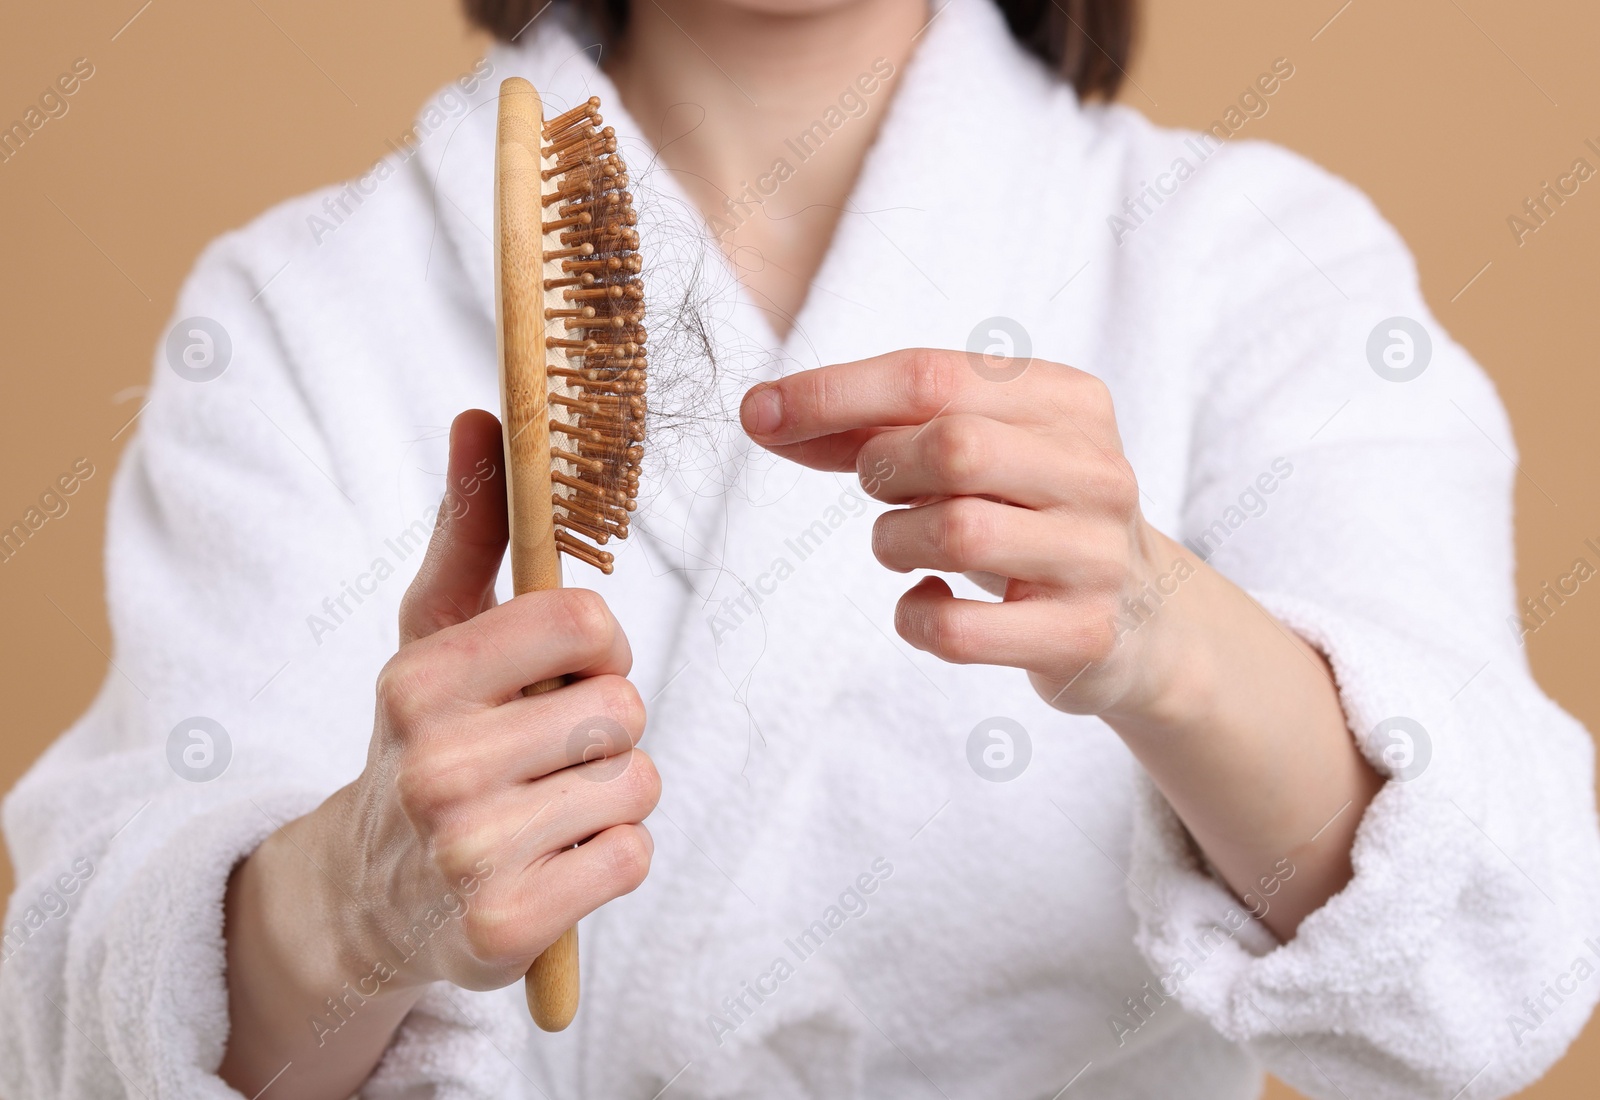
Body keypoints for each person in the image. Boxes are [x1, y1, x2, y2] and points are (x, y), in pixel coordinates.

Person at [4, 0, 1598, 1096]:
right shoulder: (299, 313)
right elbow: (69, 1043)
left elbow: (1488, 972)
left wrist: (1167, 638)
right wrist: (348, 911)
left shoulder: (1253, 266)